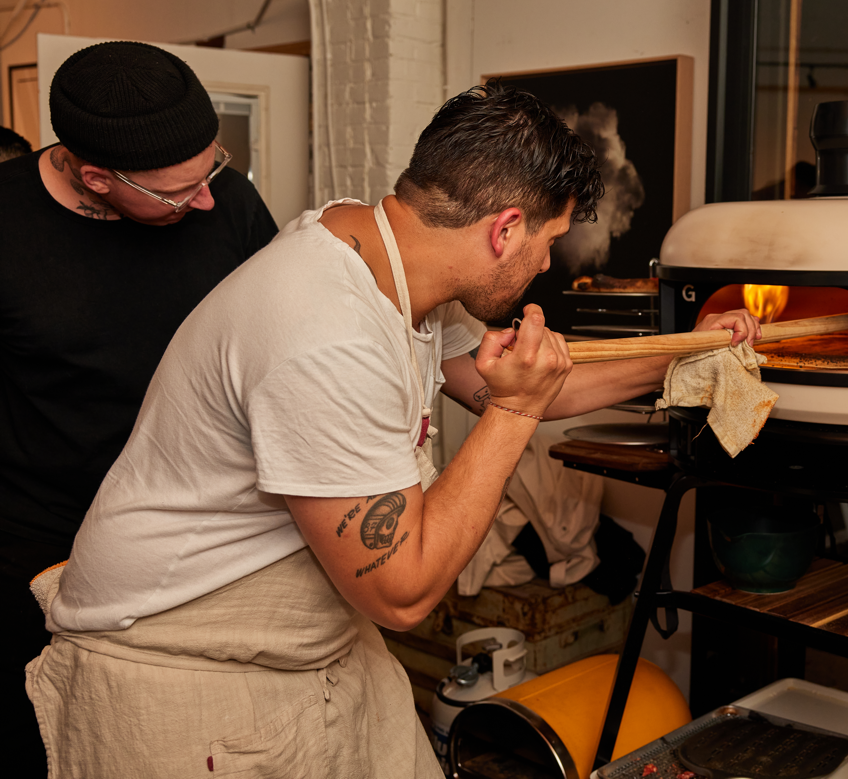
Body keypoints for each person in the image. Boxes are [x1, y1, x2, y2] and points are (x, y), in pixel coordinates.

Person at [27, 79, 758, 778]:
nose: (545, 263)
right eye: (548, 241)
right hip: (174, 652)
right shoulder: (326, 332)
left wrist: (692, 351)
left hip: (302, 637)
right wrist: (516, 411)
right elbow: (404, 595)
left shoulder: (383, 252)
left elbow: (514, 384)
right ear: (505, 230)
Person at [0, 41, 278, 776]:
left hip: (202, 540)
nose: (210, 201)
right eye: (178, 193)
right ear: (94, 176)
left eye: (211, 169)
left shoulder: (233, 204)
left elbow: (279, 338)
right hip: (43, 553)